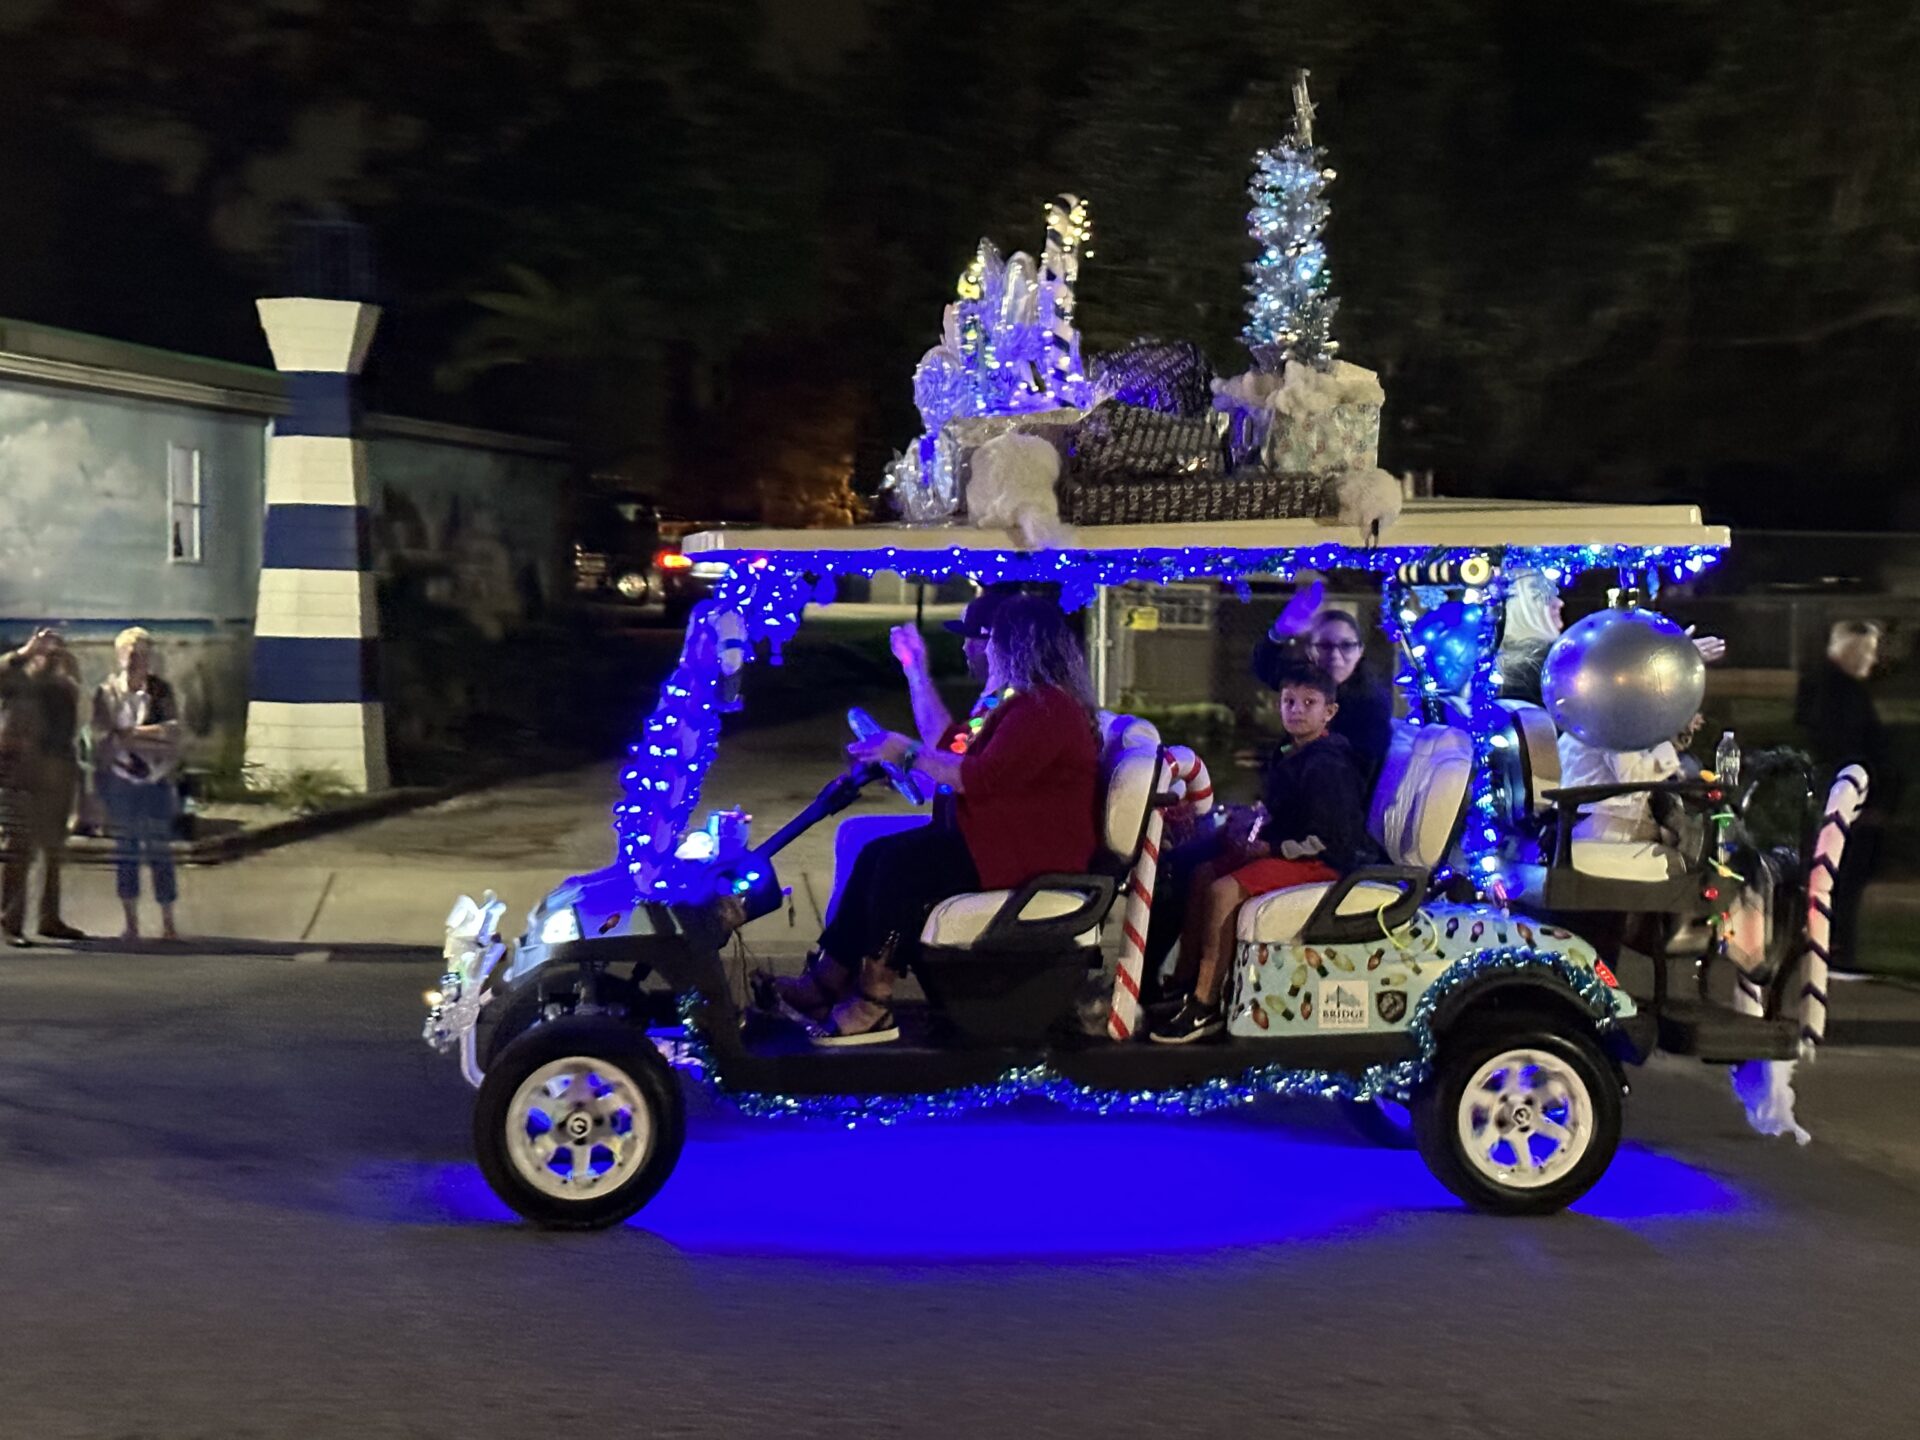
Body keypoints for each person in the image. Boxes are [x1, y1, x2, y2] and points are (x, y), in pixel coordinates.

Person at [766, 595, 1102, 1045]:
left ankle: (874, 1001)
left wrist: (905, 753)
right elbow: (948, 747)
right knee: (875, 852)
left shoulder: (1046, 711)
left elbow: (977, 777)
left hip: (1027, 857)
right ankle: (827, 981)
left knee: (901, 866)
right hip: (997, 842)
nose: (967, 650)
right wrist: (913, 672)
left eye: (980, 642)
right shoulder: (1014, 705)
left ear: (1010, 647)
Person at [1152, 665, 1377, 1044]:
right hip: (1293, 852)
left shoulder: (1328, 764)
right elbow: (1284, 813)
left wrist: (1270, 848)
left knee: (1223, 890)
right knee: (1204, 872)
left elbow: (1330, 837)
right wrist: (1254, 823)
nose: (1297, 710)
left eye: (1309, 703)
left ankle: (1206, 1004)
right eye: (1289, 701)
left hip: (1324, 864)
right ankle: (1183, 982)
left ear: (1329, 712)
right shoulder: (1291, 753)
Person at [1795, 619, 1895, 969]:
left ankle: (1833, 948)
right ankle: (1834, 952)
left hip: (1851, 798)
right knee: (1843, 879)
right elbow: (1846, 749)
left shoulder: (1830, 689)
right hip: (1849, 802)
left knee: (1844, 879)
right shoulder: (1837, 695)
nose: (1872, 660)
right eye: (1867, 651)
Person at [90, 627, 183, 942]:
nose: (133, 659)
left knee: (160, 851)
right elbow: (102, 739)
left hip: (155, 781)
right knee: (126, 852)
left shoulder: (161, 691)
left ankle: (168, 923)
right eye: (128, 653)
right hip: (121, 782)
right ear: (118, 655)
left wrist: (133, 735)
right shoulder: (106, 692)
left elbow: (172, 731)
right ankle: (131, 923)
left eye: (139, 653)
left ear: (149, 657)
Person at [1252, 578, 1394, 777]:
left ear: (1360, 650)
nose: (1335, 656)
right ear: (1311, 651)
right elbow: (1265, 669)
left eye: (1346, 646)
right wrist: (1281, 630)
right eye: (1325, 646)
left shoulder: (1371, 700)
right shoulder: (1311, 680)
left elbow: (1362, 768)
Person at [0, 630, 86, 945]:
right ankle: (10, 922)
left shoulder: (63, 687)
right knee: (16, 850)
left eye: (55, 652)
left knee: (53, 850)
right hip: (18, 773)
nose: (49, 657)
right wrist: (24, 652)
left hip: (57, 773)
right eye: (45, 652)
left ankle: (50, 918)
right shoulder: (17, 681)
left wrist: (69, 667)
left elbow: (78, 719)